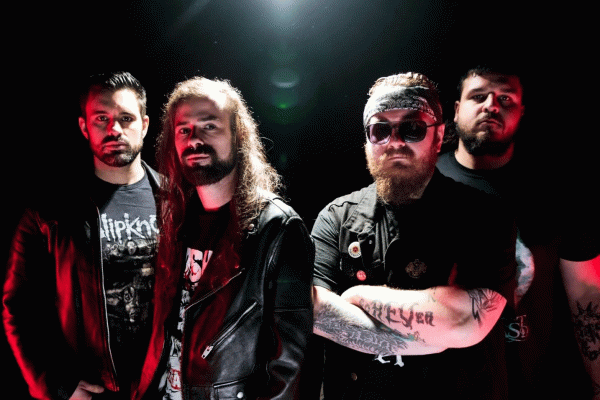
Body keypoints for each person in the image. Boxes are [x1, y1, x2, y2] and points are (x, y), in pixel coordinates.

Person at [311, 72, 518, 400]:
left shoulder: (485, 216)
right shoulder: (336, 219)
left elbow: (465, 321)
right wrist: (432, 336)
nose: (395, 142)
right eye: (380, 129)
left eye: (412, 128)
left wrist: (357, 296)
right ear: (367, 139)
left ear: (439, 136)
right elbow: (314, 310)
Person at [132, 76, 314, 400]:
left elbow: (290, 370)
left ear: (238, 134)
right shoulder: (175, 220)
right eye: (183, 130)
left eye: (209, 126)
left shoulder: (278, 230)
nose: (194, 139)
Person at [437, 66, 600, 399]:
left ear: (521, 112)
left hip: (536, 387)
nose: (491, 105)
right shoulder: (424, 186)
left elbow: (587, 295)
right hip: (444, 384)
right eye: (479, 96)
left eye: (506, 98)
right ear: (456, 109)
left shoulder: (556, 191)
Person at [3, 71, 160, 399]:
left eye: (126, 118)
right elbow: (19, 306)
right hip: (93, 390)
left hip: (165, 388)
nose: (114, 129)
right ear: (84, 127)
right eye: (101, 118)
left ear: (144, 125)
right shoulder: (49, 212)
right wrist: (58, 384)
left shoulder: (177, 203)